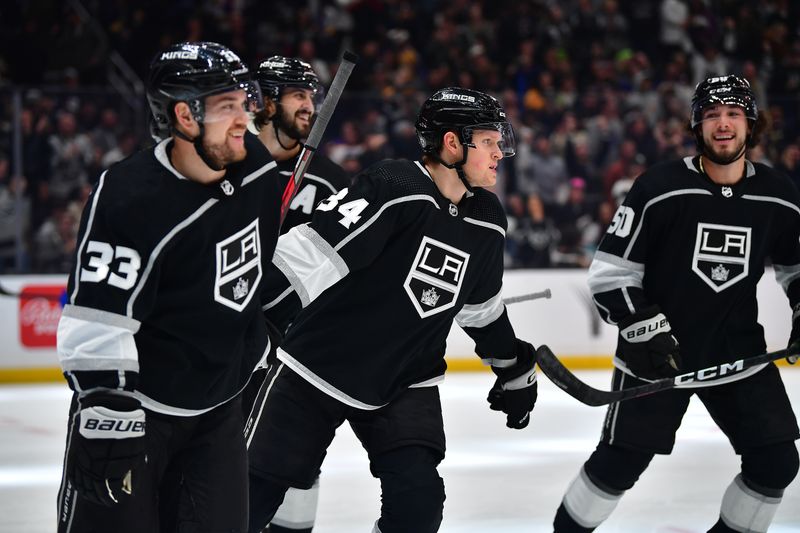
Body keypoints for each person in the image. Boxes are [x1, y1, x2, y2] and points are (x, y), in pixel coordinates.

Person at [248, 87, 540, 533]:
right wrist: (253, 319)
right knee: (251, 500)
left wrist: (512, 365)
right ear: (451, 143)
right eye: (489, 141)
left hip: (405, 378)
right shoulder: (393, 186)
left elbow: (480, 310)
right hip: (316, 368)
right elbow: (308, 255)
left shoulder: (487, 220)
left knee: (418, 506)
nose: (500, 152)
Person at [553, 75, 800, 532]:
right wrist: (645, 326)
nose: (722, 124)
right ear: (696, 125)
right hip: (658, 358)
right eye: (711, 115)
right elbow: (611, 274)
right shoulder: (660, 188)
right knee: (618, 464)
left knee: (776, 461)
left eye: (732, 114)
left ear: (750, 122)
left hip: (738, 353)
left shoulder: (778, 194)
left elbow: (795, 267)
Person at [55, 41, 283, 533]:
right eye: (227, 107)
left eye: (243, 102)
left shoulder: (258, 169)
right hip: (140, 412)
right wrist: (106, 407)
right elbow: (96, 316)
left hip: (218, 409)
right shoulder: (131, 196)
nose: (244, 117)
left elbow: (254, 273)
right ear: (184, 115)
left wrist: (259, 343)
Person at [244, 55, 349, 533]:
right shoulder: (231, 167)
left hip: (296, 354)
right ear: (266, 102)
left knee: (297, 469)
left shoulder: (331, 181)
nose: (310, 105)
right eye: (298, 95)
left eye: (313, 96)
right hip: (233, 347)